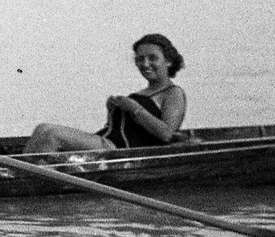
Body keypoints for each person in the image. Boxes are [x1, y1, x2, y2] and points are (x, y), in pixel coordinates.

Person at [23, 34, 188, 154]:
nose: (145, 64)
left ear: (168, 61)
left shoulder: (173, 93)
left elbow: (166, 134)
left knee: (53, 135)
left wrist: (134, 108)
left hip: (119, 149)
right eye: (140, 59)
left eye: (153, 58)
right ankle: (18, 172)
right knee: (42, 128)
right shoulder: (140, 93)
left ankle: (25, 178)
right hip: (108, 140)